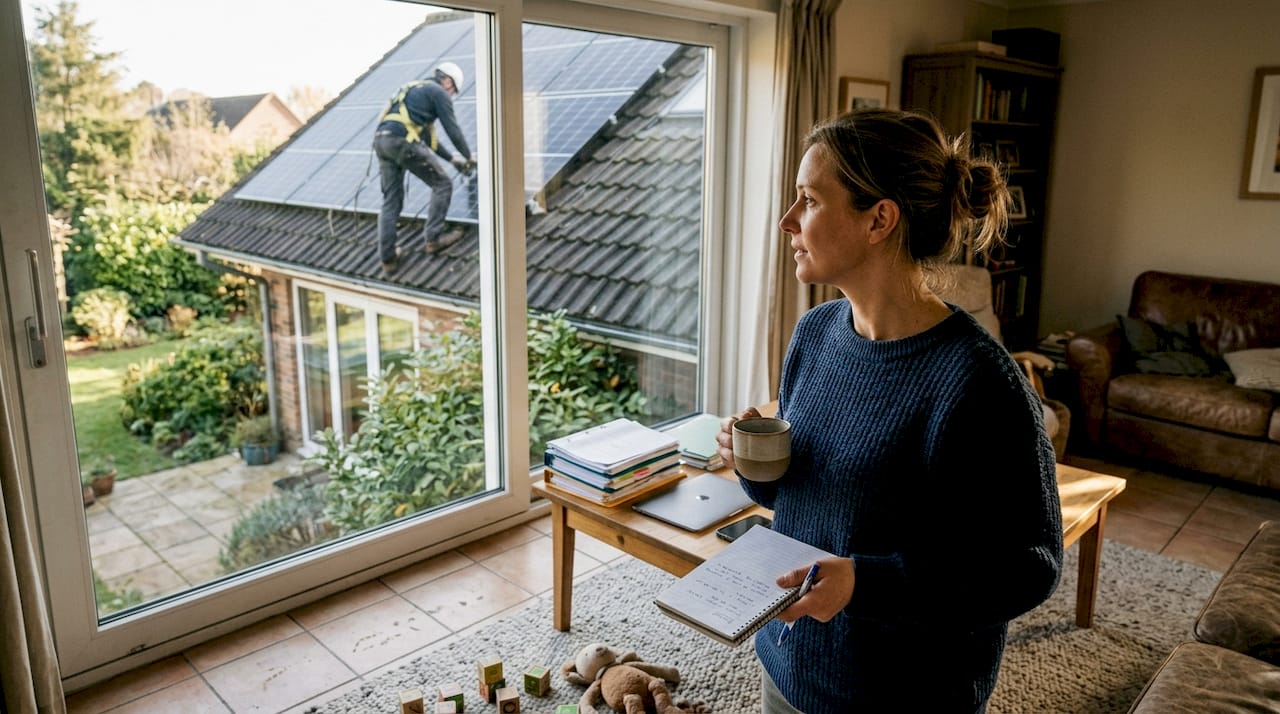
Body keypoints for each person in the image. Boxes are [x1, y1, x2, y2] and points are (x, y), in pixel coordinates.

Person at [715, 108, 1063, 713]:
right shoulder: (817, 333)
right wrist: (754, 462)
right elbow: (802, 501)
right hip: (788, 660)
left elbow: (1028, 567)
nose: (786, 222)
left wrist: (865, 585)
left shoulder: (980, 383)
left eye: (808, 201)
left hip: (901, 693)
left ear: (879, 219)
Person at [373, 61, 475, 273]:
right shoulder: (438, 93)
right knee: (443, 183)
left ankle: (388, 259)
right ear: (447, 80)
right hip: (402, 141)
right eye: (453, 90)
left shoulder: (414, 90)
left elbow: (430, 139)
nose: (452, 95)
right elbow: (452, 129)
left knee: (391, 199)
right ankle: (433, 239)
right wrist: (468, 156)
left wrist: (452, 159)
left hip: (382, 141)